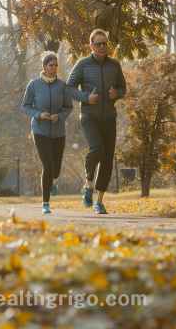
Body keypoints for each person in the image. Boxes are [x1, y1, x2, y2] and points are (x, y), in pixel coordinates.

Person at [67, 29, 126, 214]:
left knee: (108, 159)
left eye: (104, 43)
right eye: (98, 44)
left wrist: (117, 93)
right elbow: (68, 88)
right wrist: (85, 97)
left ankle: (99, 202)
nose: (102, 47)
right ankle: (88, 183)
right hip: (89, 116)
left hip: (109, 117)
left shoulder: (114, 65)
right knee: (97, 149)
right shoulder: (83, 64)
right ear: (91, 45)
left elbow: (123, 88)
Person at [21, 51, 73, 214]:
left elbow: (69, 107)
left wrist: (60, 116)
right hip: (40, 130)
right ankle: (45, 203)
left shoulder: (62, 86)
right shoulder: (34, 85)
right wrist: (39, 114)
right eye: (51, 65)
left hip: (58, 132)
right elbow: (25, 106)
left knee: (55, 169)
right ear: (44, 66)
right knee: (47, 165)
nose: (54, 68)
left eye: (56, 65)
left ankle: (51, 181)